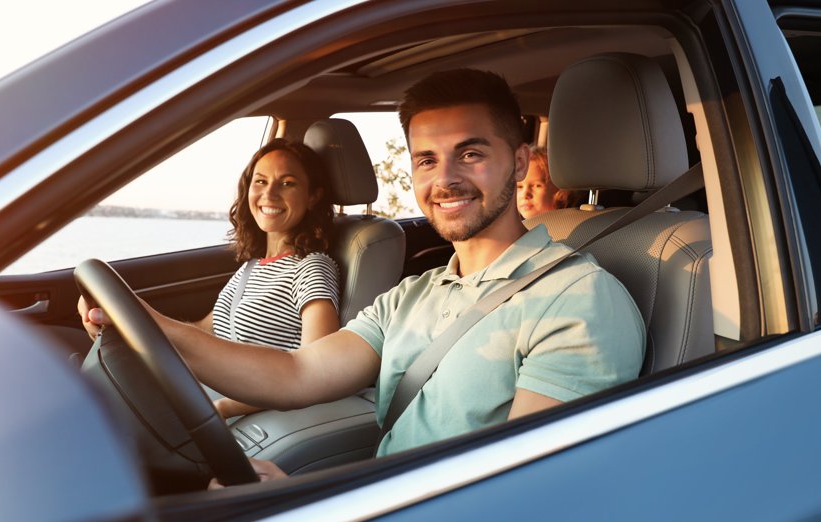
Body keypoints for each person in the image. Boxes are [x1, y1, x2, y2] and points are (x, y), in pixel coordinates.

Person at [80, 68, 646, 485]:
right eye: (426, 159)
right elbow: (296, 373)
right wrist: (148, 325)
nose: (444, 179)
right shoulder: (415, 293)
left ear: (520, 162)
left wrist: (309, 515)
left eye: (470, 154)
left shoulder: (578, 301)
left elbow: (522, 496)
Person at [86, 138, 342, 419]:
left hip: (238, 413)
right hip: (202, 395)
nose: (269, 194)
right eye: (260, 181)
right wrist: (122, 329)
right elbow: (204, 333)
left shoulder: (312, 268)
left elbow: (318, 370)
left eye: (287, 183)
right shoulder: (251, 268)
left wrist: (223, 408)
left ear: (313, 197)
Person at [516, 145, 575, 219]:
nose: (525, 194)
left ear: (559, 191)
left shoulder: (567, 227)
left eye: (537, 185)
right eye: (520, 187)